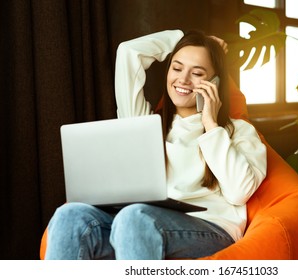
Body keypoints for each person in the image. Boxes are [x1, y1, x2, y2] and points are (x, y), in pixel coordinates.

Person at [45, 29, 267, 260]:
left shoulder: (238, 131)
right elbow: (129, 53)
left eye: (197, 73)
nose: (183, 79)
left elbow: (239, 192)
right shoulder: (147, 123)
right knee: (69, 215)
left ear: (215, 82)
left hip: (211, 229)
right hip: (136, 223)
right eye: (177, 68)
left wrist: (210, 124)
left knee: (134, 217)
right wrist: (183, 38)